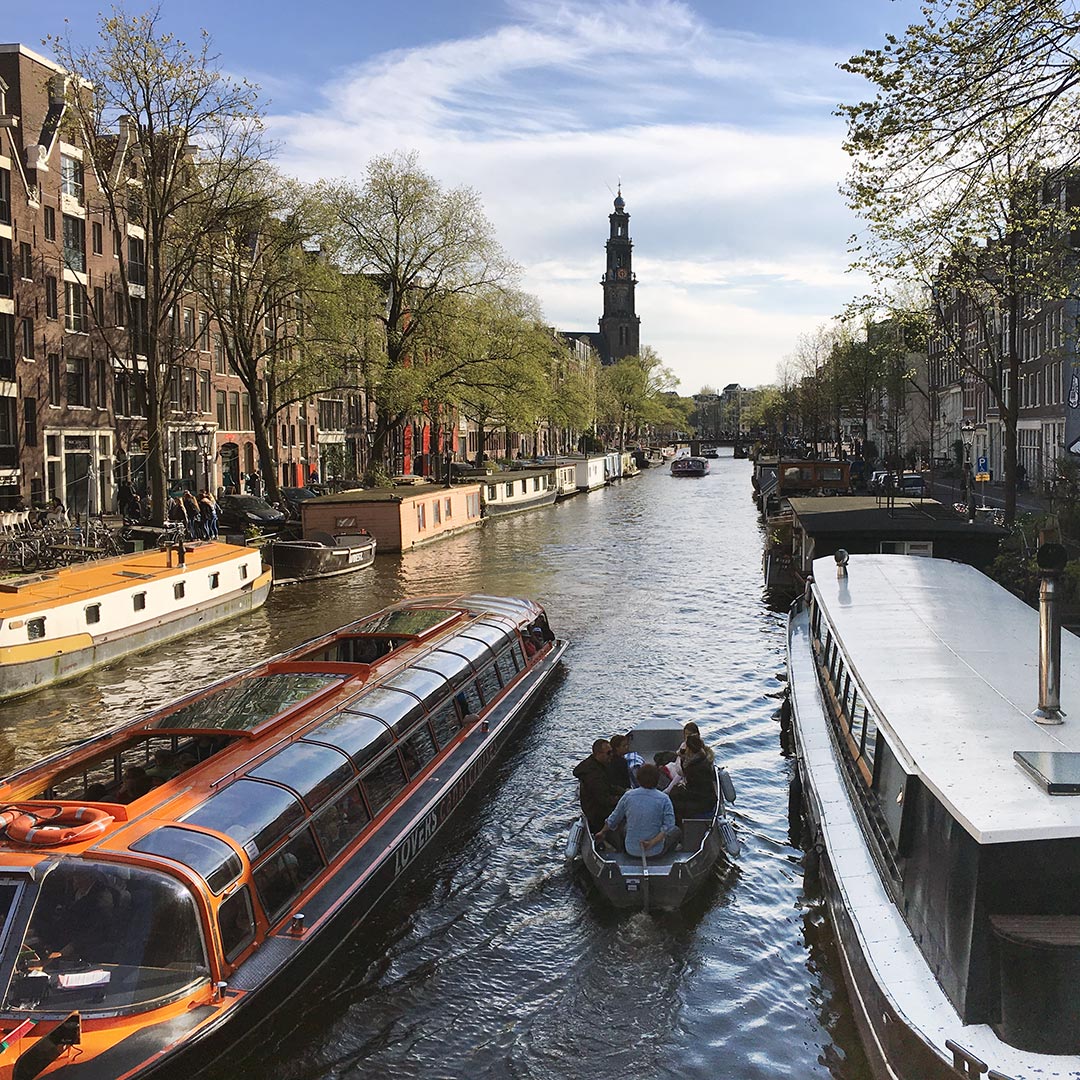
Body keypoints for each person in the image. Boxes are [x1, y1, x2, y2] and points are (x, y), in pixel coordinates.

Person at [594, 763, 681, 857]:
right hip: (656, 852)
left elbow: (613, 819)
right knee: (676, 831)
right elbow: (669, 826)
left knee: (626, 827)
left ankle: (623, 851)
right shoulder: (664, 799)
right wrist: (651, 843)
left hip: (631, 850)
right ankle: (667, 857)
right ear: (657, 779)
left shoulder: (628, 795)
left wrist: (602, 832)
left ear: (638, 779)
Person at [573, 739, 623, 833]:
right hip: (597, 814)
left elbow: (608, 786)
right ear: (599, 754)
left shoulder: (599, 766)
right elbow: (604, 799)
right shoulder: (593, 775)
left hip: (597, 807)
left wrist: (624, 791)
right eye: (608, 753)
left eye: (612, 751)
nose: (612, 755)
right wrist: (623, 799)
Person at [669, 733, 717, 821]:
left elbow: (694, 791)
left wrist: (680, 790)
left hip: (702, 803)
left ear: (690, 749)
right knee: (675, 792)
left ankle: (678, 822)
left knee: (674, 798)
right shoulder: (701, 759)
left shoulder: (695, 768)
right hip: (705, 798)